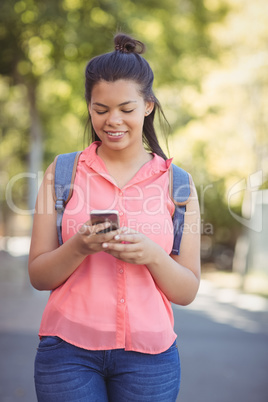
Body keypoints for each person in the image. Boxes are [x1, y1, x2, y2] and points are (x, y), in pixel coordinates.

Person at [28, 33, 201, 402]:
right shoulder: (62, 172)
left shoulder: (179, 185)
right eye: (100, 110)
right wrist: (79, 246)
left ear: (148, 106)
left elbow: (187, 290)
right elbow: (39, 275)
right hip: (67, 353)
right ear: (89, 107)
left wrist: (152, 255)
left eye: (127, 108)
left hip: (150, 359)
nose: (113, 121)